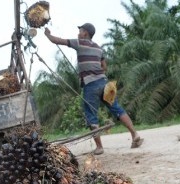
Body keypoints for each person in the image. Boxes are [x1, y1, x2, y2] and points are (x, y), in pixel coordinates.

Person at [44, 23, 143, 155]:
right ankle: (135, 135)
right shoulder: (98, 48)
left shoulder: (79, 43)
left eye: (80, 31)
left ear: (85, 33)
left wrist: (47, 34)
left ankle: (99, 147)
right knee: (117, 108)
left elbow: (56, 41)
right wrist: (96, 71)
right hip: (104, 82)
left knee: (91, 116)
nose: (78, 33)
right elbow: (104, 67)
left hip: (91, 85)